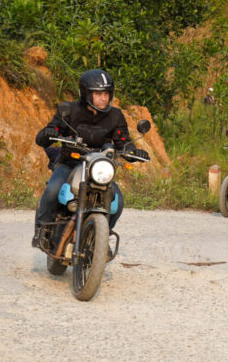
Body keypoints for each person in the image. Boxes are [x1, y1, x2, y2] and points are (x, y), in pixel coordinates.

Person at [32, 69, 148, 247]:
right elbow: (50, 132)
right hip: (70, 163)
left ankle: (99, 239)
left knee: (118, 202)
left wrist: (134, 152)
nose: (103, 98)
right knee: (53, 190)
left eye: (107, 93)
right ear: (86, 93)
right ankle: (43, 230)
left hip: (98, 168)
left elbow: (123, 142)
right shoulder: (70, 111)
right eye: (98, 93)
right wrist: (49, 133)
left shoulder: (115, 116)